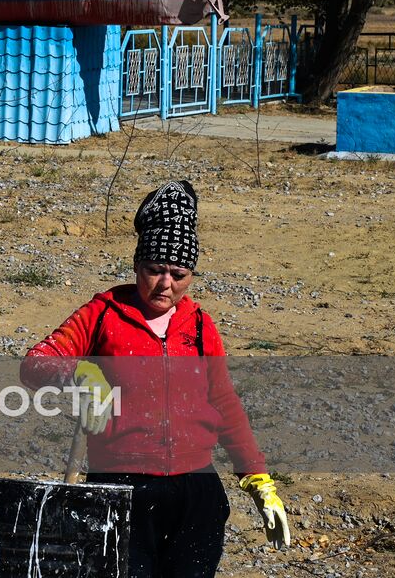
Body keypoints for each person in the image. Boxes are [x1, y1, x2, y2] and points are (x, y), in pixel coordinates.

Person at [20, 180, 290, 578]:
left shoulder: (198, 326)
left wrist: (257, 478)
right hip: (120, 488)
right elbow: (34, 363)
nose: (165, 285)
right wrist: (76, 371)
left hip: (195, 492)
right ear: (136, 265)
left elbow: (225, 403)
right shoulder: (104, 314)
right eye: (154, 270)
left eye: (178, 274)